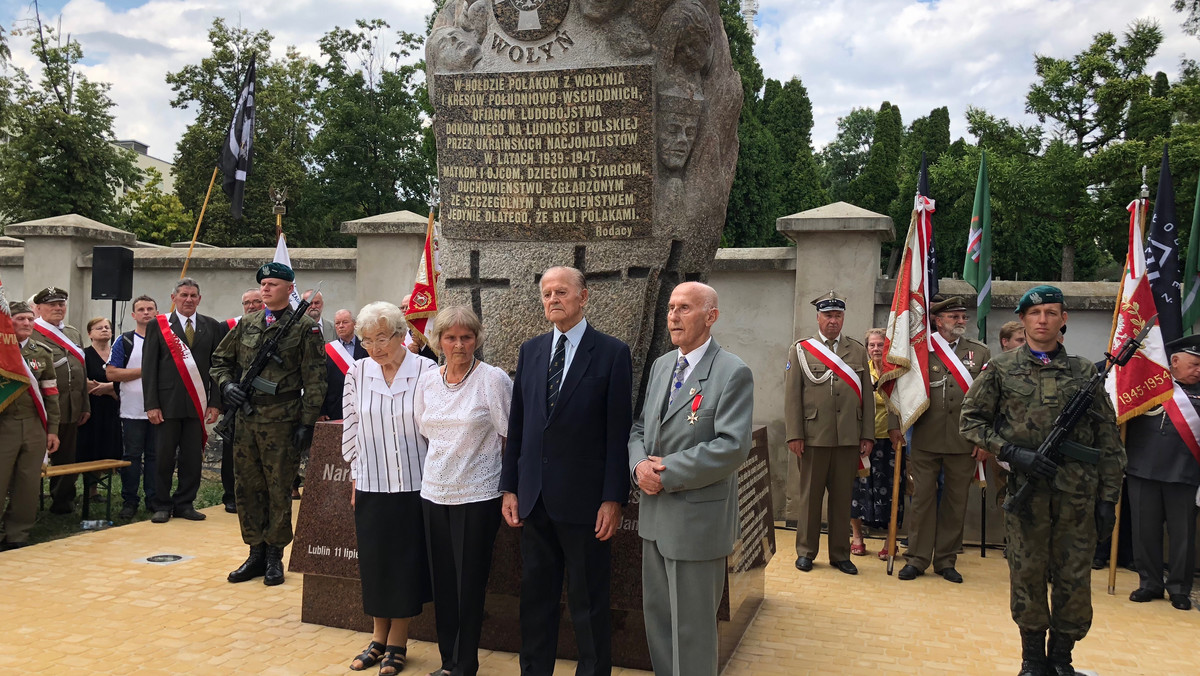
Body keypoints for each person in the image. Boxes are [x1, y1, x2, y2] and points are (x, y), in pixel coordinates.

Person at [961, 285, 1123, 676]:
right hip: (1026, 495)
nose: (1043, 320)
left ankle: (1062, 658)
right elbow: (970, 421)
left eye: (1052, 313)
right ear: (1023, 320)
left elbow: (1109, 440)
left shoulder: (1085, 372)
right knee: (1028, 575)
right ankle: (1033, 658)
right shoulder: (1000, 369)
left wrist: (1108, 500)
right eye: (1035, 314)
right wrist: (1011, 452)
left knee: (1073, 579)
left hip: (1078, 498)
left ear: (1064, 319)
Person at [501, 266, 632, 676]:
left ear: (583, 297)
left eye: (561, 292)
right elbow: (518, 426)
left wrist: (613, 498)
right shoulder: (531, 351)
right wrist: (510, 488)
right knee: (535, 601)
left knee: (588, 601)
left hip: (586, 503)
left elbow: (618, 433)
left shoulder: (611, 353)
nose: (552, 300)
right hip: (534, 500)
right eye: (546, 294)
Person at [629, 282, 753, 676]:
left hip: (697, 524)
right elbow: (639, 429)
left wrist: (665, 474)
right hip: (654, 520)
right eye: (670, 307)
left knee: (693, 629)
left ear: (710, 316)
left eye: (684, 308)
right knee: (660, 623)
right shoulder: (663, 366)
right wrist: (638, 468)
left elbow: (732, 447)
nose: (673, 316)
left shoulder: (732, 371)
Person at [211, 262, 326, 586]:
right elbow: (220, 361)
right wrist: (227, 386)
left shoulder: (304, 327)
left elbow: (315, 380)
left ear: (290, 289)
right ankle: (255, 552)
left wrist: (307, 423)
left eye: (273, 284)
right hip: (246, 419)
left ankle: (275, 554)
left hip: (282, 420)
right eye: (263, 284)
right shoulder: (246, 324)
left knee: (278, 489)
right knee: (247, 488)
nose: (265, 288)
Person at [415, 306, 512, 676]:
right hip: (433, 493)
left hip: (478, 495)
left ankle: (465, 665)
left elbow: (509, 435)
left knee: (468, 584)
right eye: (451, 337)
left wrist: (507, 487)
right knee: (443, 583)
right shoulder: (427, 379)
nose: (459, 344)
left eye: (467, 337)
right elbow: (425, 429)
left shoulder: (492, 379)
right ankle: (447, 663)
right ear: (438, 341)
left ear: (477, 339)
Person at [341, 301, 436, 675]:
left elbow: (435, 426)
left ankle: (398, 642)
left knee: (406, 564)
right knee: (376, 563)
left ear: (401, 335)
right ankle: (377, 638)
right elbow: (351, 428)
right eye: (367, 341)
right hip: (372, 482)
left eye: (382, 338)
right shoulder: (358, 372)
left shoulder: (426, 370)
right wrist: (354, 476)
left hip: (417, 483)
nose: (375, 347)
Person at [898, 296, 991, 583]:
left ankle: (946, 560)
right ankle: (917, 558)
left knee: (955, 501)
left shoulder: (980, 353)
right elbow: (899, 388)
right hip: (925, 438)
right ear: (938, 320)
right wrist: (895, 426)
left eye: (963, 316)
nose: (962, 321)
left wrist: (983, 439)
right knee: (922, 500)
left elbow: (989, 399)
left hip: (963, 442)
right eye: (955, 317)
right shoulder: (919, 351)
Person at [784, 290, 874, 575]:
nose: (833, 321)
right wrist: (795, 434)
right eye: (828, 315)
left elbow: (868, 398)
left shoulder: (857, 350)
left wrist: (867, 435)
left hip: (848, 436)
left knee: (842, 497)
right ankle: (806, 552)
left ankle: (840, 553)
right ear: (818, 317)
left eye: (837, 315)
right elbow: (792, 396)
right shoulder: (800, 349)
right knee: (810, 497)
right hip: (812, 436)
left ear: (843, 317)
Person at [1123, 334, 1200, 611]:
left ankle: (1179, 588)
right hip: (1142, 468)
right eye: (1194, 364)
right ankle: (1149, 583)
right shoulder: (1148, 386)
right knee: (1144, 531)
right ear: (1175, 362)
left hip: (1184, 472)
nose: (1198, 370)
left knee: (1182, 536)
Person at [142, 277, 227, 524]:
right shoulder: (159, 326)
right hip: (166, 404)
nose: (188, 299)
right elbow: (149, 368)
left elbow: (216, 367)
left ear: (199, 299)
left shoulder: (211, 325)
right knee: (164, 456)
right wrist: (151, 404)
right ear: (174, 298)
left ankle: (185, 503)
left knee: (192, 457)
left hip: (197, 404)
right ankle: (161, 504)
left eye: (193, 296)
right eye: (183, 295)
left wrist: (215, 402)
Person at [0, 301, 59, 551]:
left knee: (28, 483)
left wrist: (53, 430)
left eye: (29, 319)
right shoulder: (3, 351)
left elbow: (51, 394)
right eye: (20, 319)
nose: (26, 323)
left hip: (35, 424)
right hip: (4, 425)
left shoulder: (41, 352)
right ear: (7, 322)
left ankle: (17, 534)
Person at [32, 286, 89, 515]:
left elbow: (81, 373)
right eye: (51, 304)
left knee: (67, 457)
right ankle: (31, 503)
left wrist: (85, 404)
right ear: (39, 308)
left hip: (71, 406)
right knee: (36, 456)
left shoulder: (73, 333)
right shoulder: (32, 332)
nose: (57, 308)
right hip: (42, 408)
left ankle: (63, 501)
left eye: (61, 304)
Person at [851, 328, 905, 560]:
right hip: (864, 439)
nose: (875, 349)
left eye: (880, 345)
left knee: (893, 492)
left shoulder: (898, 373)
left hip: (891, 441)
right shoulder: (861, 371)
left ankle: (889, 541)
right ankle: (857, 538)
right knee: (858, 489)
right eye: (872, 345)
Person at [106, 296, 159, 519]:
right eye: (141, 309)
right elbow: (112, 373)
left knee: (156, 456)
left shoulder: (167, 340)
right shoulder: (125, 341)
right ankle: (130, 500)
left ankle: (154, 499)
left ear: (157, 312)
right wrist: (145, 370)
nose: (146, 312)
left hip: (159, 409)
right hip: (132, 410)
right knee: (132, 457)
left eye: (150, 309)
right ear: (133, 314)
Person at [77, 317, 122, 502]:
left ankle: (104, 488)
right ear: (90, 333)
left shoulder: (117, 353)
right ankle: (90, 490)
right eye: (99, 328)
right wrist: (106, 387)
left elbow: (124, 380)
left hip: (114, 406)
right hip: (91, 408)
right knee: (90, 446)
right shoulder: (84, 354)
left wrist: (110, 388)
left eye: (107, 327)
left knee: (109, 445)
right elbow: (82, 381)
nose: (104, 330)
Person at [320, 309, 367, 421]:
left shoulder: (366, 347)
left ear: (355, 324)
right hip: (335, 407)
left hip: (362, 404)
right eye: (337, 323)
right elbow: (321, 382)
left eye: (345, 322)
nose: (341, 326)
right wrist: (322, 410)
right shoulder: (327, 350)